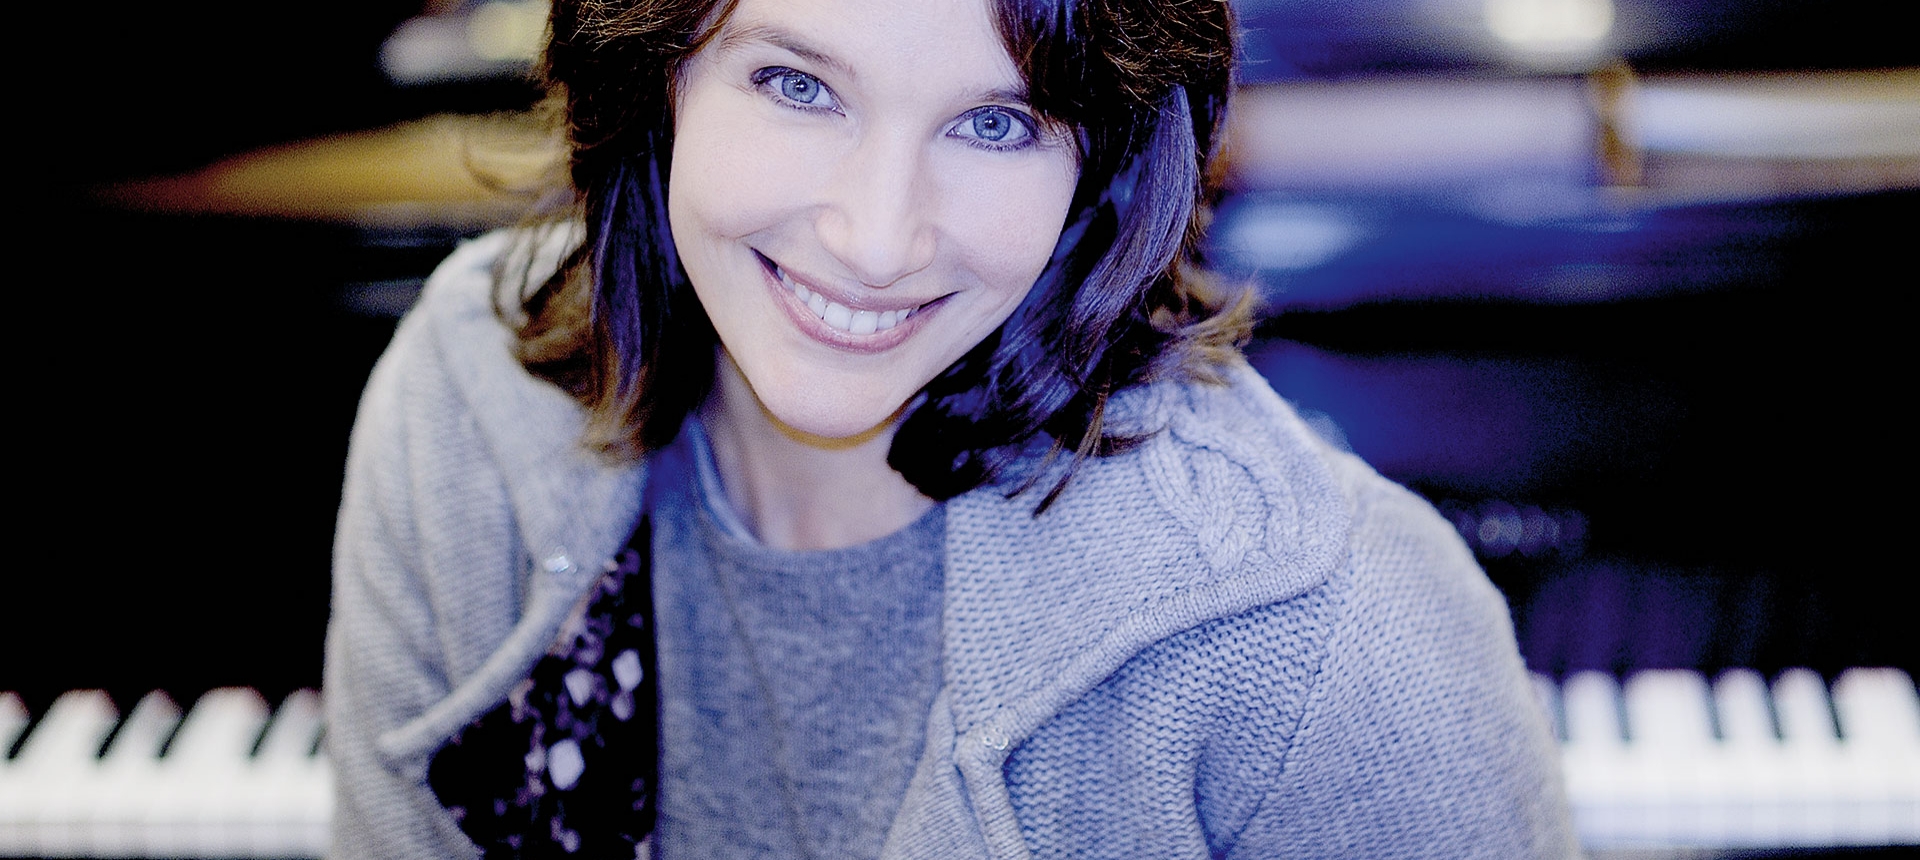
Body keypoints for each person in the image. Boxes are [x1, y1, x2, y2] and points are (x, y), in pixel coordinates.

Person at [324, 0, 1580, 855]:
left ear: (1105, 156)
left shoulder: (1333, 635)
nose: (878, 238)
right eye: (797, 84)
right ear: (653, 68)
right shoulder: (469, 394)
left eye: (997, 121)